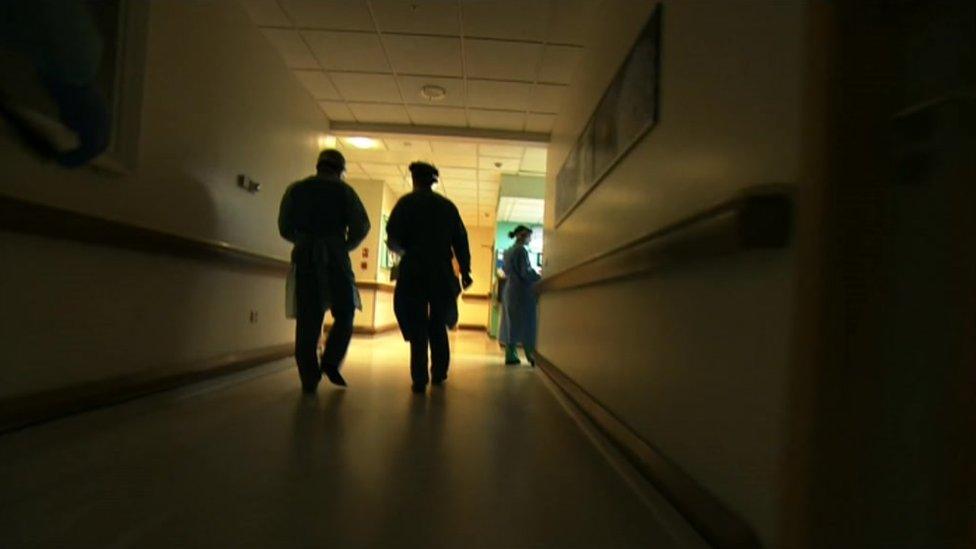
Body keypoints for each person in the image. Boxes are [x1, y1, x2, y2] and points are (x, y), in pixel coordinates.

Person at [278, 149, 370, 393]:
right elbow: (362, 226)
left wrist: (303, 240)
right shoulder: (345, 192)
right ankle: (330, 360)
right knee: (345, 311)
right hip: (335, 259)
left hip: (306, 258)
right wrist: (343, 245)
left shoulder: (296, 190)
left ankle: (309, 379)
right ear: (340, 170)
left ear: (318, 165)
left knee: (309, 319)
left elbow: (284, 228)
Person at [386, 161, 473, 393]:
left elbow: (392, 238)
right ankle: (439, 372)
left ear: (414, 179)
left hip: (413, 269)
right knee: (438, 322)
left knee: (417, 325)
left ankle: (419, 377)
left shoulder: (405, 204)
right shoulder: (447, 207)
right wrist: (466, 271)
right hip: (440, 271)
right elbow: (460, 241)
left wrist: (407, 250)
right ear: (434, 181)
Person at [500, 225, 541, 365]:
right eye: (529, 236)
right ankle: (530, 355)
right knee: (527, 323)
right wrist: (540, 277)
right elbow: (526, 272)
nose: (530, 239)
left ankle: (510, 355)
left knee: (511, 324)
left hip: (510, 290)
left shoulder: (507, 251)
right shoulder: (521, 251)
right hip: (521, 292)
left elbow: (505, 270)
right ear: (522, 236)